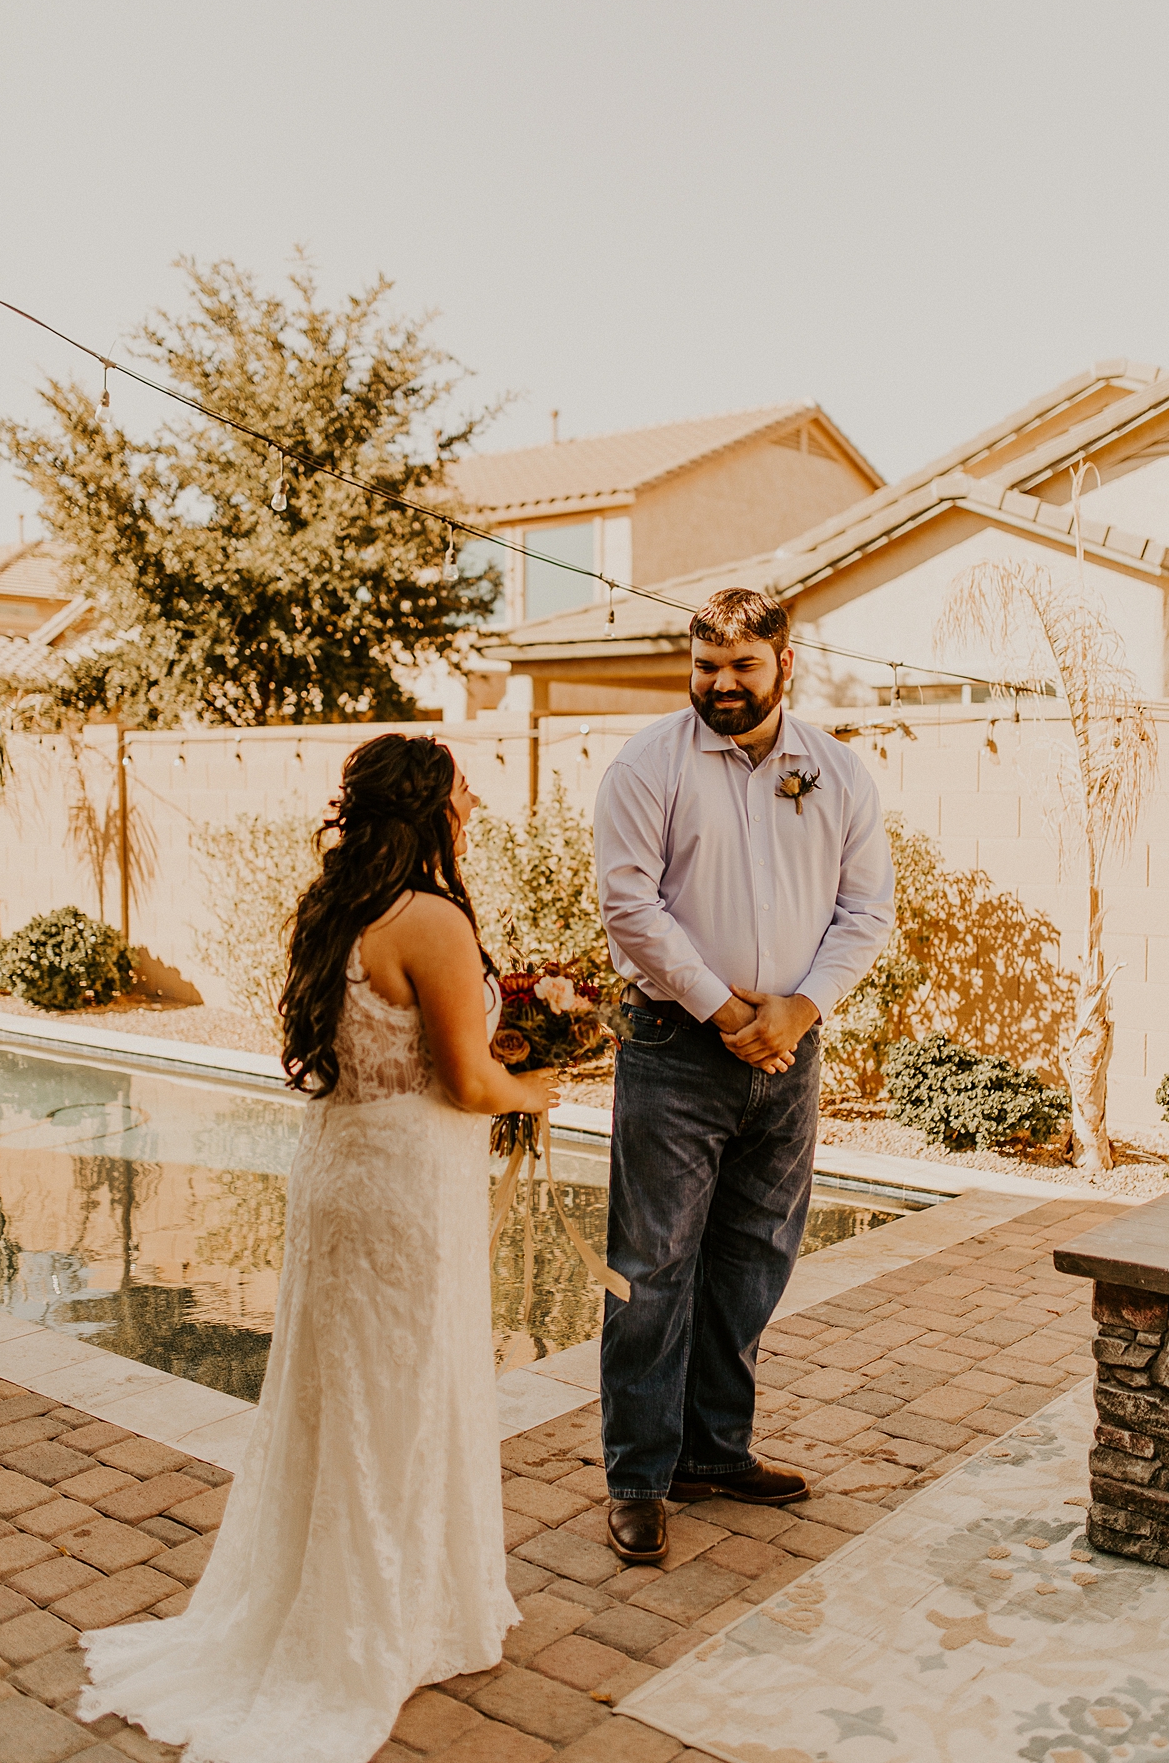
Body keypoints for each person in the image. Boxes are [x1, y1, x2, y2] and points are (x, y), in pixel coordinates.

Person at [79, 734, 558, 1763]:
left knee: (344, 1399)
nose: (473, 800)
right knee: (397, 1397)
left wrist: (506, 1044)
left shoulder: (342, 905)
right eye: (462, 788)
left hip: (347, 1168)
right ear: (430, 805)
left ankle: (365, 1601)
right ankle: (373, 1626)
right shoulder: (429, 915)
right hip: (403, 1192)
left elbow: (408, 1046)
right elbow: (467, 1084)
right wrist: (537, 1089)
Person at [593, 587, 893, 1564]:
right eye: (706, 666)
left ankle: (715, 1453)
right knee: (651, 1272)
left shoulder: (837, 773)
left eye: (742, 668)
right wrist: (726, 1011)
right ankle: (640, 1475)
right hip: (678, 1048)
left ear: (784, 665)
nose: (719, 685)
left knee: (755, 1257)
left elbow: (865, 913)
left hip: (789, 1052)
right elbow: (631, 908)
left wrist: (796, 1012)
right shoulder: (649, 764)